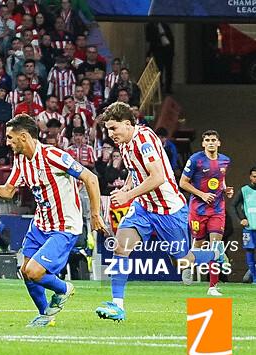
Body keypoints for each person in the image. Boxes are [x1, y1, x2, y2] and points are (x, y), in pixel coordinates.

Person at [96, 102, 226, 321]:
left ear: (127, 124)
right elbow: (136, 171)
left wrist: (128, 196)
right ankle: (118, 306)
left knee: (182, 260)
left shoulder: (144, 140)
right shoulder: (125, 143)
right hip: (143, 207)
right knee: (120, 247)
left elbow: (157, 177)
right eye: (108, 129)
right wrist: (127, 188)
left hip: (169, 210)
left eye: (113, 128)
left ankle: (215, 254)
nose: (110, 134)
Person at [0, 114, 107, 327]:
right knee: (25, 271)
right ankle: (46, 316)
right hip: (40, 224)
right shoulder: (21, 160)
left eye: (10, 137)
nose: (7, 142)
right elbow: (8, 192)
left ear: (23, 137)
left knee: (35, 271)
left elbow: (90, 178)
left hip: (64, 225)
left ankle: (64, 289)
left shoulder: (53, 156)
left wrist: (95, 214)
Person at [179, 130, 233, 295]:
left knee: (215, 246)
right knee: (199, 245)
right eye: (207, 140)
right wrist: (202, 194)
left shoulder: (225, 160)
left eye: (213, 140)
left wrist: (226, 190)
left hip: (217, 209)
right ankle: (188, 265)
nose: (210, 142)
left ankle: (212, 287)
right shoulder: (195, 159)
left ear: (218, 143)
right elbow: (183, 183)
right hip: (198, 209)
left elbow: (220, 181)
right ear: (203, 144)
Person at [233, 167, 256, 284]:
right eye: (254, 176)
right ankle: (254, 278)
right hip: (249, 228)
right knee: (250, 252)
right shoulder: (244, 190)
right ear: (250, 177)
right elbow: (233, 205)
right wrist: (240, 219)